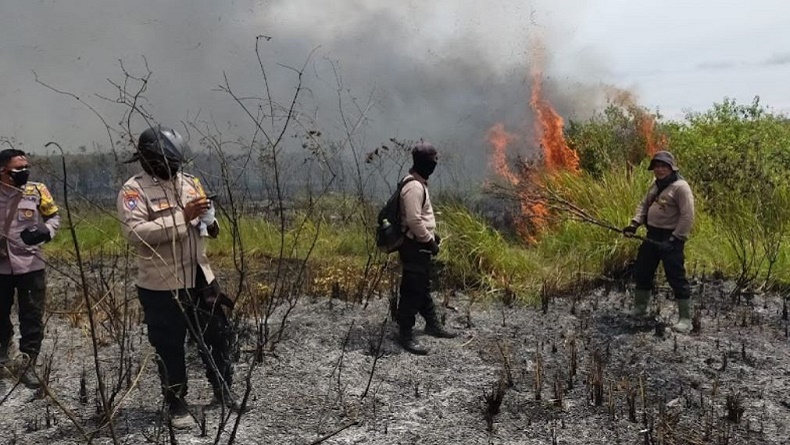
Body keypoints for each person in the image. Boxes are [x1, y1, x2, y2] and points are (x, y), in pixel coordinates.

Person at [117, 125, 236, 429]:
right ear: (146, 159)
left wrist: (210, 221)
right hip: (162, 284)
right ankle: (177, 404)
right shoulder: (134, 190)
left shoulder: (190, 183)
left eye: (175, 162)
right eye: (164, 162)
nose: (171, 168)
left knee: (218, 336)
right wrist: (182, 216)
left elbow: (209, 228)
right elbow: (136, 234)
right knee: (170, 346)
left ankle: (223, 389)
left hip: (200, 276)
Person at [0, 148, 60, 389]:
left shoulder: (37, 191)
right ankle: (3, 353)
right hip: (1, 267)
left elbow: (54, 217)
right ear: (3, 172)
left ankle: (29, 362)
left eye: (26, 168)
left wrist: (46, 232)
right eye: (18, 169)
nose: (24, 172)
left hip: (31, 264)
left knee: (32, 315)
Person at [622, 150, 695, 334]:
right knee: (643, 270)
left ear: (671, 168)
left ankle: (685, 319)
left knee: (676, 276)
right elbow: (644, 205)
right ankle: (640, 308)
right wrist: (634, 224)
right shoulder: (655, 185)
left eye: (664, 166)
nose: (660, 169)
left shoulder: (681, 187)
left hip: (671, 238)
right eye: (657, 166)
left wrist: (675, 238)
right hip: (652, 235)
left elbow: (687, 216)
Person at [396, 140, 456, 355]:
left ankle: (432, 324)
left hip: (418, 243)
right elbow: (413, 220)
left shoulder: (418, 183)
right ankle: (405, 334)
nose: (434, 165)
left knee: (422, 286)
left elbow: (419, 218)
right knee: (412, 289)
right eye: (432, 161)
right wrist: (429, 241)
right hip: (414, 245)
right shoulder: (413, 186)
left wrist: (431, 234)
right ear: (423, 162)